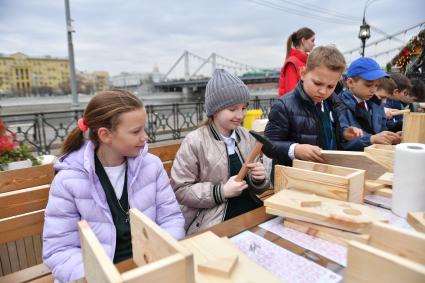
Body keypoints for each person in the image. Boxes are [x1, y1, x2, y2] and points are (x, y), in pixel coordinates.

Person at [42, 90, 185, 282]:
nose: (145, 137)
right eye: (136, 131)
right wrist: (97, 277)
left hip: (151, 267)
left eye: (144, 128)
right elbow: (59, 250)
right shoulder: (68, 181)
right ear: (105, 135)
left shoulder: (152, 166)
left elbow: (171, 219)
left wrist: (161, 259)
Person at [171, 69, 270, 235]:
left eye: (244, 108)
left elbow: (258, 189)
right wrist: (221, 191)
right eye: (232, 109)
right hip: (214, 220)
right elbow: (181, 190)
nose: (240, 115)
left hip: (251, 211)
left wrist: (259, 179)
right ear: (214, 110)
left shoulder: (246, 136)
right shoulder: (194, 141)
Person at [265, 46, 363, 180]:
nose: (323, 91)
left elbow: (327, 133)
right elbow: (268, 145)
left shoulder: (333, 102)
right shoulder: (283, 106)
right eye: (317, 83)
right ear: (303, 73)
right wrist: (295, 149)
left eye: (330, 86)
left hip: (327, 174)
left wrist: (344, 134)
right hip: (295, 178)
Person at [338, 57, 401, 150]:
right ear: (350, 82)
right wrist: (371, 139)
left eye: (376, 85)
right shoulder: (339, 106)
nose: (373, 90)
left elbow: (381, 129)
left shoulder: (376, 104)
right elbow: (341, 141)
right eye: (368, 85)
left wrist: (391, 137)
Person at [278, 27, 315, 96]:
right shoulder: (292, 63)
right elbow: (291, 94)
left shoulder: (306, 62)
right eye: (312, 41)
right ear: (303, 41)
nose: (314, 44)